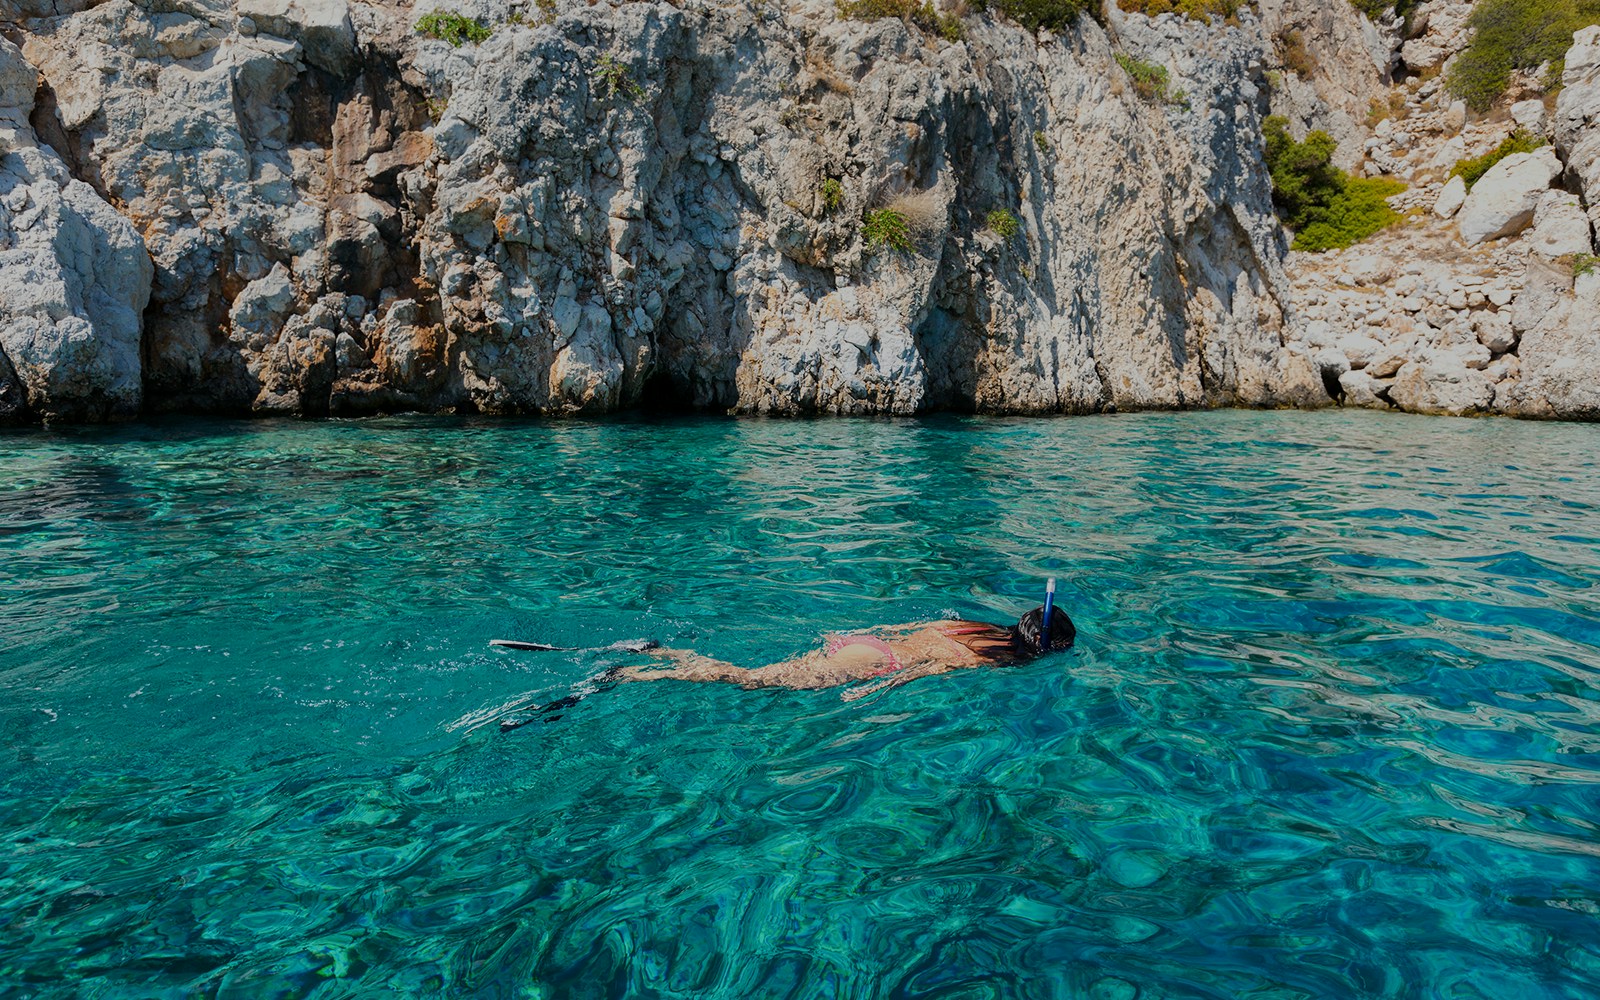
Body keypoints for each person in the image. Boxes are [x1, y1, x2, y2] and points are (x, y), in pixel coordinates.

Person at [620, 606, 1076, 701]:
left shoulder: (969, 627)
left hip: (869, 645)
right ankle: (642, 672)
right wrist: (875, 691)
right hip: (875, 663)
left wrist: (856, 634)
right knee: (751, 678)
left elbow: (910, 629)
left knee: (759, 674)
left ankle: (663, 655)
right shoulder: (983, 660)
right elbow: (926, 669)